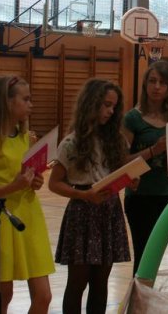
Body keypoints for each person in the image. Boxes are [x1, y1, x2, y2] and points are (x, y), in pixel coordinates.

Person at [48, 78, 132, 313]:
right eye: (106, 105)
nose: (110, 111)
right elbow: (54, 183)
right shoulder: (71, 143)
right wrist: (83, 195)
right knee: (77, 282)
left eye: (114, 106)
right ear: (91, 103)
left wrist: (131, 179)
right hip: (83, 212)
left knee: (101, 282)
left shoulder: (116, 140)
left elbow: (120, 172)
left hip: (109, 211)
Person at [0, 76, 54, 314]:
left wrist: (35, 182)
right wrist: (13, 186)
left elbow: (29, 179)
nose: (31, 105)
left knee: (44, 296)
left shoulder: (29, 138)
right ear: (7, 102)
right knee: (4, 295)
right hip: (3, 218)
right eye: (25, 99)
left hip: (30, 216)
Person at [122, 61, 168, 274]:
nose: (157, 87)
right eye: (152, 81)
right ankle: (139, 297)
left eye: (162, 83)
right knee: (145, 262)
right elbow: (122, 161)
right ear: (145, 85)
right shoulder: (132, 118)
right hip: (141, 198)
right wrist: (153, 150)